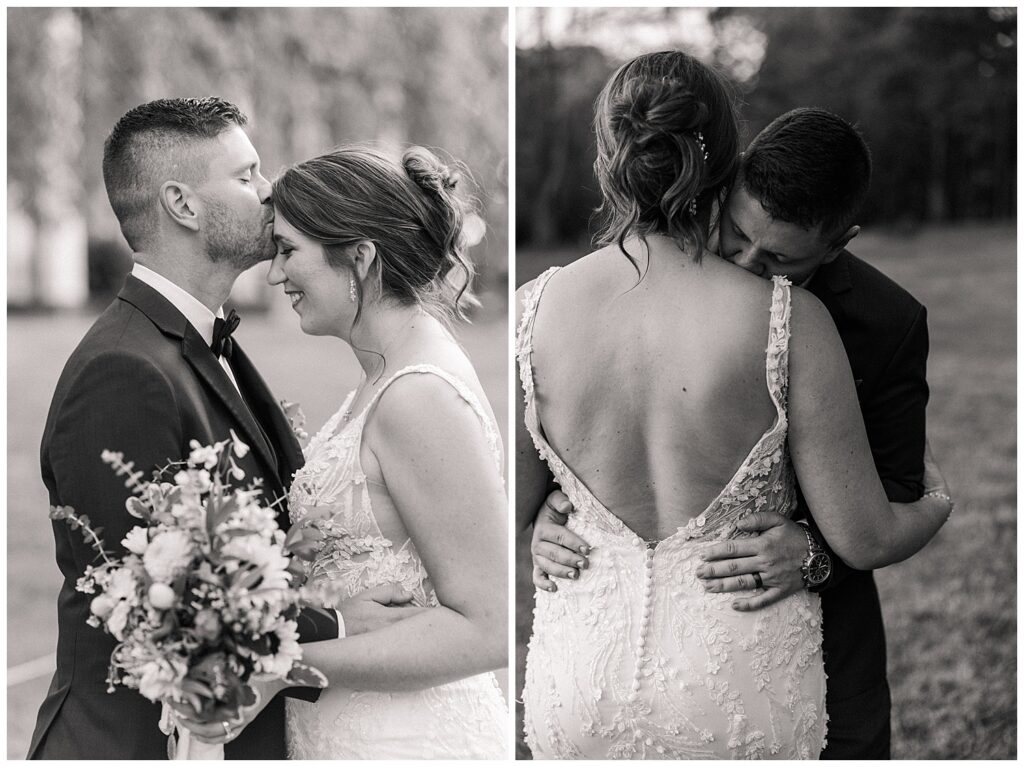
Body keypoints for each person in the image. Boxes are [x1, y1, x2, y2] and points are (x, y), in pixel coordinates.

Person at [516, 51, 952, 759]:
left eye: (779, 259)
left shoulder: (537, 308)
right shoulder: (791, 320)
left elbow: (866, 520)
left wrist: (811, 551)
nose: (748, 266)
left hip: (612, 671)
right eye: (739, 237)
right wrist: (554, 514)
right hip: (724, 680)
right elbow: (876, 526)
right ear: (726, 172)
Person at [28, 98, 415, 760]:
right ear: (183, 205)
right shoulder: (124, 371)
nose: (270, 192)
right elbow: (156, 605)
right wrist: (342, 625)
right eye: (246, 175)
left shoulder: (202, 344)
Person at [185, 145, 508, 759]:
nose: (275, 275)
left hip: (407, 740)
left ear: (359, 255)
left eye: (287, 251)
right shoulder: (384, 376)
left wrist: (283, 665)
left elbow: (489, 628)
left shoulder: (418, 396)